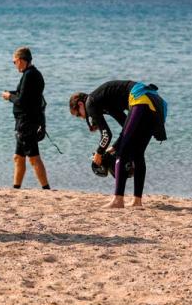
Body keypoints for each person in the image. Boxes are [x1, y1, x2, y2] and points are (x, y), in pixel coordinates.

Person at [69, 80, 167, 209]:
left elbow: (106, 134)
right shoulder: (106, 101)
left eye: (78, 115)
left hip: (141, 99)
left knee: (123, 152)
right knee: (137, 152)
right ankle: (137, 201)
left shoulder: (90, 102)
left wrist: (99, 153)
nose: (82, 118)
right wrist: (112, 148)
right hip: (156, 104)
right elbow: (126, 126)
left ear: (80, 104)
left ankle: (118, 200)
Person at [1, 47, 50, 189]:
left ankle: (46, 188)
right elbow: (24, 94)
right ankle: (16, 188)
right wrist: (11, 93)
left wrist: (9, 97)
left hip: (26, 122)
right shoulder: (34, 74)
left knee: (34, 157)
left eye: (14, 62)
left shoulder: (29, 75)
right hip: (28, 121)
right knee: (18, 157)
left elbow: (22, 101)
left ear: (21, 60)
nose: (14, 65)